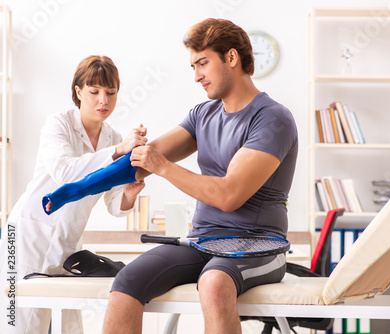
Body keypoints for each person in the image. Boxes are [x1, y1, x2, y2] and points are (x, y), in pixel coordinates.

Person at [103, 18, 298, 334]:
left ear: (231, 58)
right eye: (193, 66)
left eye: (202, 63)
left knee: (213, 283)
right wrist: (124, 150)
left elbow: (228, 195)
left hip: (259, 245)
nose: (196, 76)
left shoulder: (273, 119)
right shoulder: (202, 115)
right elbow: (140, 162)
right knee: (127, 280)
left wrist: (162, 167)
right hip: (201, 241)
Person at [0, 55, 147, 334]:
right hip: (25, 237)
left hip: (67, 246)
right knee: (20, 326)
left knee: (69, 327)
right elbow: (66, 173)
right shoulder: (59, 125)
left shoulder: (112, 138)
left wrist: (130, 192)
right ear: (78, 92)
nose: (103, 100)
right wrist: (118, 152)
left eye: (110, 92)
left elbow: (115, 204)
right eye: (94, 92)